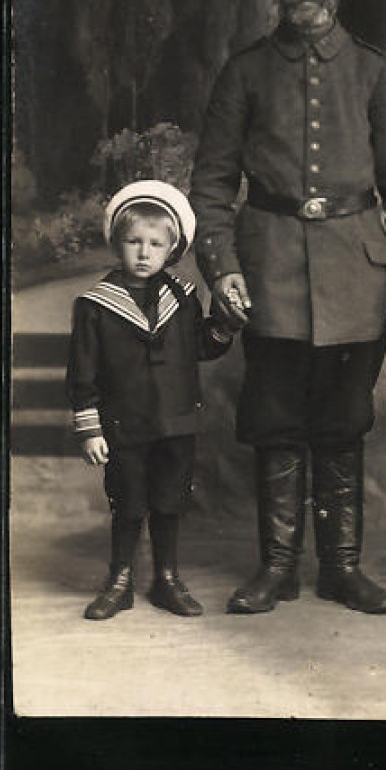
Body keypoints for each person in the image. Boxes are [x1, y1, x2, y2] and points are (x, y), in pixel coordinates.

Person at [189, 0, 386, 615]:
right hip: (269, 275)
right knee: (275, 421)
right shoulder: (244, 73)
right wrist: (223, 266)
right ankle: (277, 569)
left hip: (358, 275)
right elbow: (209, 186)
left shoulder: (375, 73)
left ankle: (342, 569)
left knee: (341, 422)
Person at [66, 180, 239, 621]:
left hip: (177, 423)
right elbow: (82, 374)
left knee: (169, 501)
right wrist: (90, 428)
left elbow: (202, 347)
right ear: (115, 244)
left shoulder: (183, 297)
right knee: (128, 502)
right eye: (133, 242)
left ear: (172, 248)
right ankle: (119, 580)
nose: (144, 252)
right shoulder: (95, 306)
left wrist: (223, 324)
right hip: (126, 425)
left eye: (155, 244)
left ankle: (166, 578)